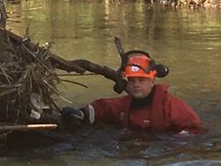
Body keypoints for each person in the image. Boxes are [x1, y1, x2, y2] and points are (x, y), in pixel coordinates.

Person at [58, 50, 204, 134]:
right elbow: (102, 109)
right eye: (132, 81)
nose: (136, 85)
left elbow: (194, 130)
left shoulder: (171, 106)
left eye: (141, 80)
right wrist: (80, 114)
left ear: (152, 81)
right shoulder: (124, 105)